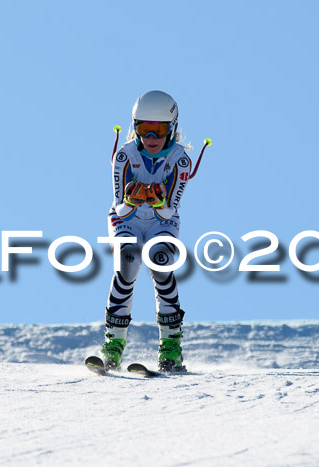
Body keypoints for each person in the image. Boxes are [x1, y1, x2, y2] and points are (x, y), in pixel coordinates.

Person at [101, 90, 192, 372]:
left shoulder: (180, 160)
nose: (151, 138)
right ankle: (113, 346)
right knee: (128, 262)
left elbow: (167, 210)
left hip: (160, 222)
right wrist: (132, 197)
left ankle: (171, 347)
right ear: (135, 127)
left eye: (159, 130)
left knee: (161, 263)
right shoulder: (124, 156)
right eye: (144, 129)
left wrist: (156, 198)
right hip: (127, 219)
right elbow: (120, 208)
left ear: (172, 129)